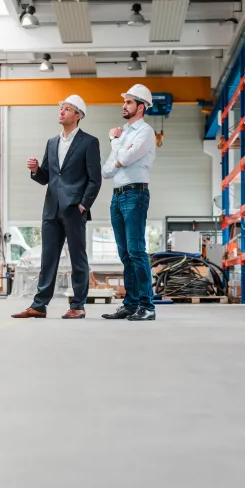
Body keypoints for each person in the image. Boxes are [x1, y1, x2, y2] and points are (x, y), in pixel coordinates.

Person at [12, 95, 102, 320]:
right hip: (51, 208)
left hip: (74, 209)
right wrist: (35, 169)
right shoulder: (52, 142)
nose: (62, 112)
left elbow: (95, 179)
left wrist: (83, 205)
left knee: (77, 259)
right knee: (48, 258)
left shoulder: (89, 142)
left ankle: (78, 305)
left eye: (67, 109)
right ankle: (39, 305)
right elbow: (46, 178)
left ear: (78, 115)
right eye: (61, 108)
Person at [102, 84, 157, 321]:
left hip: (135, 194)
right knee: (125, 254)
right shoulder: (123, 134)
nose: (124, 106)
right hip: (117, 195)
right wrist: (119, 157)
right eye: (124, 102)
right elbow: (106, 171)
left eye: (129, 102)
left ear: (140, 107)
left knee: (136, 251)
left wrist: (116, 145)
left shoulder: (145, 132)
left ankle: (147, 306)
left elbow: (123, 158)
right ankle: (131, 303)